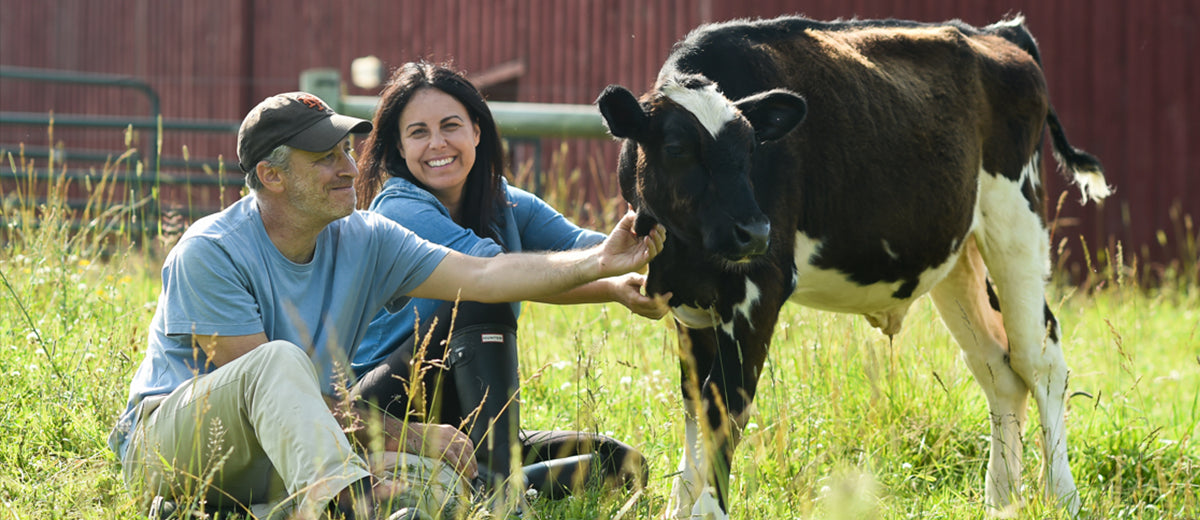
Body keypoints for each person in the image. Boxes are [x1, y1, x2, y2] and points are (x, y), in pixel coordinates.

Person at [107, 91, 664, 520]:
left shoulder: (366, 236)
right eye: (325, 158)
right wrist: (417, 436)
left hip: (295, 453)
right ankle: (351, 507)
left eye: (346, 150)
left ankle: (255, 508)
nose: (350, 169)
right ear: (272, 176)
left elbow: (485, 275)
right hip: (177, 446)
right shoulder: (210, 253)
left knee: (446, 485)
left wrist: (601, 263)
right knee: (280, 363)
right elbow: (270, 400)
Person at [351, 61, 671, 508]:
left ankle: (487, 485)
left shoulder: (502, 202)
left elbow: (581, 247)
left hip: (467, 419)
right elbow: (492, 275)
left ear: (477, 132)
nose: (437, 143)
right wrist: (606, 271)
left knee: (617, 462)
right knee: (482, 299)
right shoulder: (399, 210)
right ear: (399, 148)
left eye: (450, 126)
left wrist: (651, 248)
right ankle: (504, 497)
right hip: (383, 407)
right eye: (418, 132)